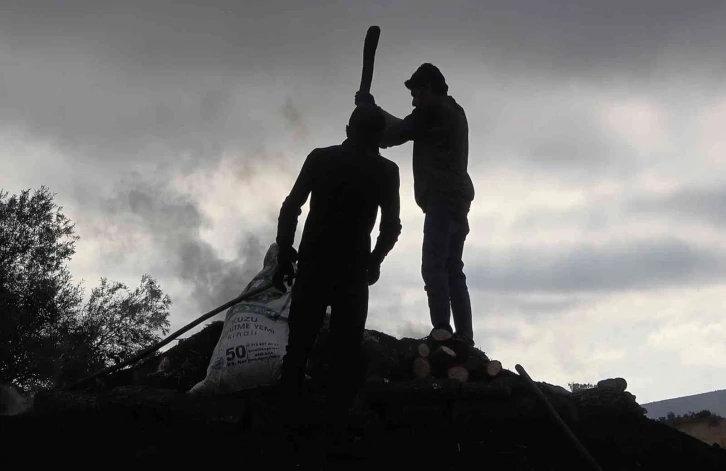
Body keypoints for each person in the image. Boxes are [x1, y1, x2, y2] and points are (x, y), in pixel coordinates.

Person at [273, 105, 402, 413]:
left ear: (347, 130)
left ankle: (285, 421)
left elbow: (291, 207)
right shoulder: (386, 171)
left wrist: (284, 251)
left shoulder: (320, 158)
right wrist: (375, 260)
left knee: (298, 348)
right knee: (345, 355)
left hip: (314, 265)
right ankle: (337, 429)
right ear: (380, 137)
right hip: (353, 271)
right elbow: (391, 226)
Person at [355, 63, 475, 345]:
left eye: (417, 94)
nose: (414, 100)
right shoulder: (454, 111)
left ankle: (443, 330)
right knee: (452, 266)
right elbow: (404, 127)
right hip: (457, 198)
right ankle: (464, 335)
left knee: (434, 264)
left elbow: (397, 132)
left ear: (429, 90)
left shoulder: (434, 111)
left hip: (442, 199)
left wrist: (370, 111)